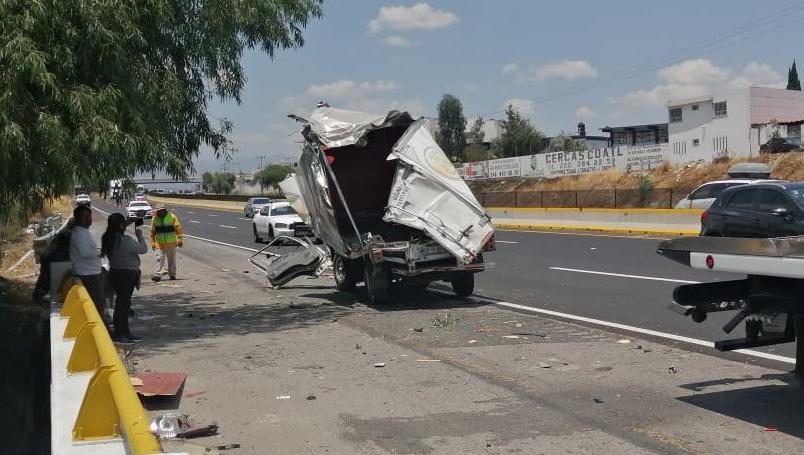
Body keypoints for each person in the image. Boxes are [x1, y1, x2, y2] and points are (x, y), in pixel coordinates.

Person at [101, 214, 148, 343]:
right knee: (123, 305)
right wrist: (139, 236)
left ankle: (124, 331)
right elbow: (143, 249)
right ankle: (121, 332)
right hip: (127, 274)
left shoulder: (108, 238)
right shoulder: (124, 240)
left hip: (115, 272)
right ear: (121, 226)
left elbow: (113, 229)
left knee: (122, 303)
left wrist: (127, 222)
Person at [69, 205, 106, 315]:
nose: (89, 219)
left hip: (90, 273)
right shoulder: (80, 234)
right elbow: (85, 253)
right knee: (97, 304)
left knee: (99, 303)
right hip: (88, 275)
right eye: (85, 217)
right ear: (77, 218)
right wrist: (100, 252)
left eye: (89, 216)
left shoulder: (82, 232)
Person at [32, 219, 74, 303]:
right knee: (49, 277)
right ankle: (41, 297)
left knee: (44, 277)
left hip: (47, 255)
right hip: (53, 258)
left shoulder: (64, 232)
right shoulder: (69, 234)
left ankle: (37, 296)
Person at [150, 205, 183, 282]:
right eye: (158, 211)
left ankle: (172, 275)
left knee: (171, 260)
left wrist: (180, 239)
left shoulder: (172, 217)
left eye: (161, 210)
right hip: (159, 244)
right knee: (159, 259)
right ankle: (157, 275)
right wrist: (152, 242)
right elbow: (152, 232)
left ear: (164, 210)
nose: (159, 212)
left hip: (171, 243)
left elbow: (178, 229)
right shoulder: (155, 218)